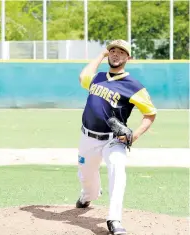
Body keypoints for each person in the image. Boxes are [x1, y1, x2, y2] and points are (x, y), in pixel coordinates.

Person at [76, 39, 157, 235]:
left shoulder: (134, 86)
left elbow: (150, 114)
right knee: (87, 180)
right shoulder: (99, 77)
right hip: (88, 137)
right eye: (112, 51)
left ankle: (114, 219)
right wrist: (101, 55)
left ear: (128, 57)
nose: (115, 54)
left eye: (121, 52)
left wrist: (135, 136)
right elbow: (83, 77)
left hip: (114, 140)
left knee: (118, 171)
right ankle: (88, 196)